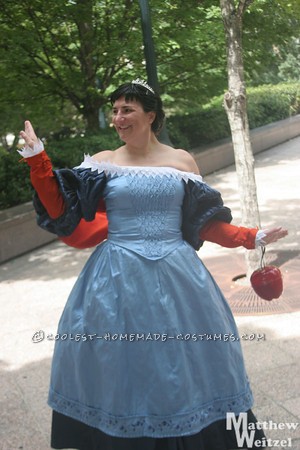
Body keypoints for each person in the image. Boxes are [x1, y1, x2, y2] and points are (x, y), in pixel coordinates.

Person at [19, 79, 287, 450]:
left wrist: (251, 236)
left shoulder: (181, 161)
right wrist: (38, 159)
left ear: (151, 115)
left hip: (178, 275)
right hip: (115, 278)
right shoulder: (103, 163)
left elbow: (204, 223)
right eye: (114, 110)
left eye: (127, 109)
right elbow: (60, 208)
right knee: (120, 361)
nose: (118, 118)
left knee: (186, 359)